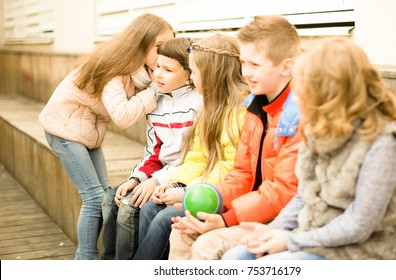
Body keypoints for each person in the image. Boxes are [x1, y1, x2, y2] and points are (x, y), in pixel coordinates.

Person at [222, 37, 396, 260]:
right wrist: (272, 231)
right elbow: (302, 196)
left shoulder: (383, 143)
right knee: (236, 258)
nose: (297, 93)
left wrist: (290, 241)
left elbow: (359, 224)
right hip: (312, 234)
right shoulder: (318, 130)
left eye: (305, 85)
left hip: (362, 249)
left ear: (331, 89)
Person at [38, 13, 174, 260]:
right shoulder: (116, 70)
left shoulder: (139, 71)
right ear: (141, 44)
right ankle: (86, 260)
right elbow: (122, 116)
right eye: (159, 47)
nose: (164, 52)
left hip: (87, 131)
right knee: (93, 198)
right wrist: (154, 89)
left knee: (103, 198)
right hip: (64, 129)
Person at [168, 15, 302, 260]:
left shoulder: (298, 116)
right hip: (252, 207)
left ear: (286, 67)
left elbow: (284, 192)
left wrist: (226, 219)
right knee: (181, 233)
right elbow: (242, 173)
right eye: (243, 63)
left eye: (255, 65)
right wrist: (211, 201)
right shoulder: (255, 107)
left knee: (207, 245)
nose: (246, 73)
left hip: (283, 218)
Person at [133, 33, 249, 260]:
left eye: (194, 72)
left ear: (211, 74)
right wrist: (175, 183)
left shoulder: (239, 111)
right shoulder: (211, 106)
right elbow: (196, 157)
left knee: (165, 218)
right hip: (202, 185)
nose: (192, 79)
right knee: (148, 208)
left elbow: (230, 166)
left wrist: (186, 192)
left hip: (222, 193)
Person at [100, 37, 202, 260]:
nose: (158, 74)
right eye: (157, 67)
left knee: (130, 207)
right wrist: (136, 179)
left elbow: (194, 158)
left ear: (189, 73)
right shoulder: (156, 103)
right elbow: (154, 152)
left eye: (168, 69)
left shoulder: (198, 104)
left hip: (183, 176)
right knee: (111, 198)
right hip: (159, 174)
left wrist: (156, 181)